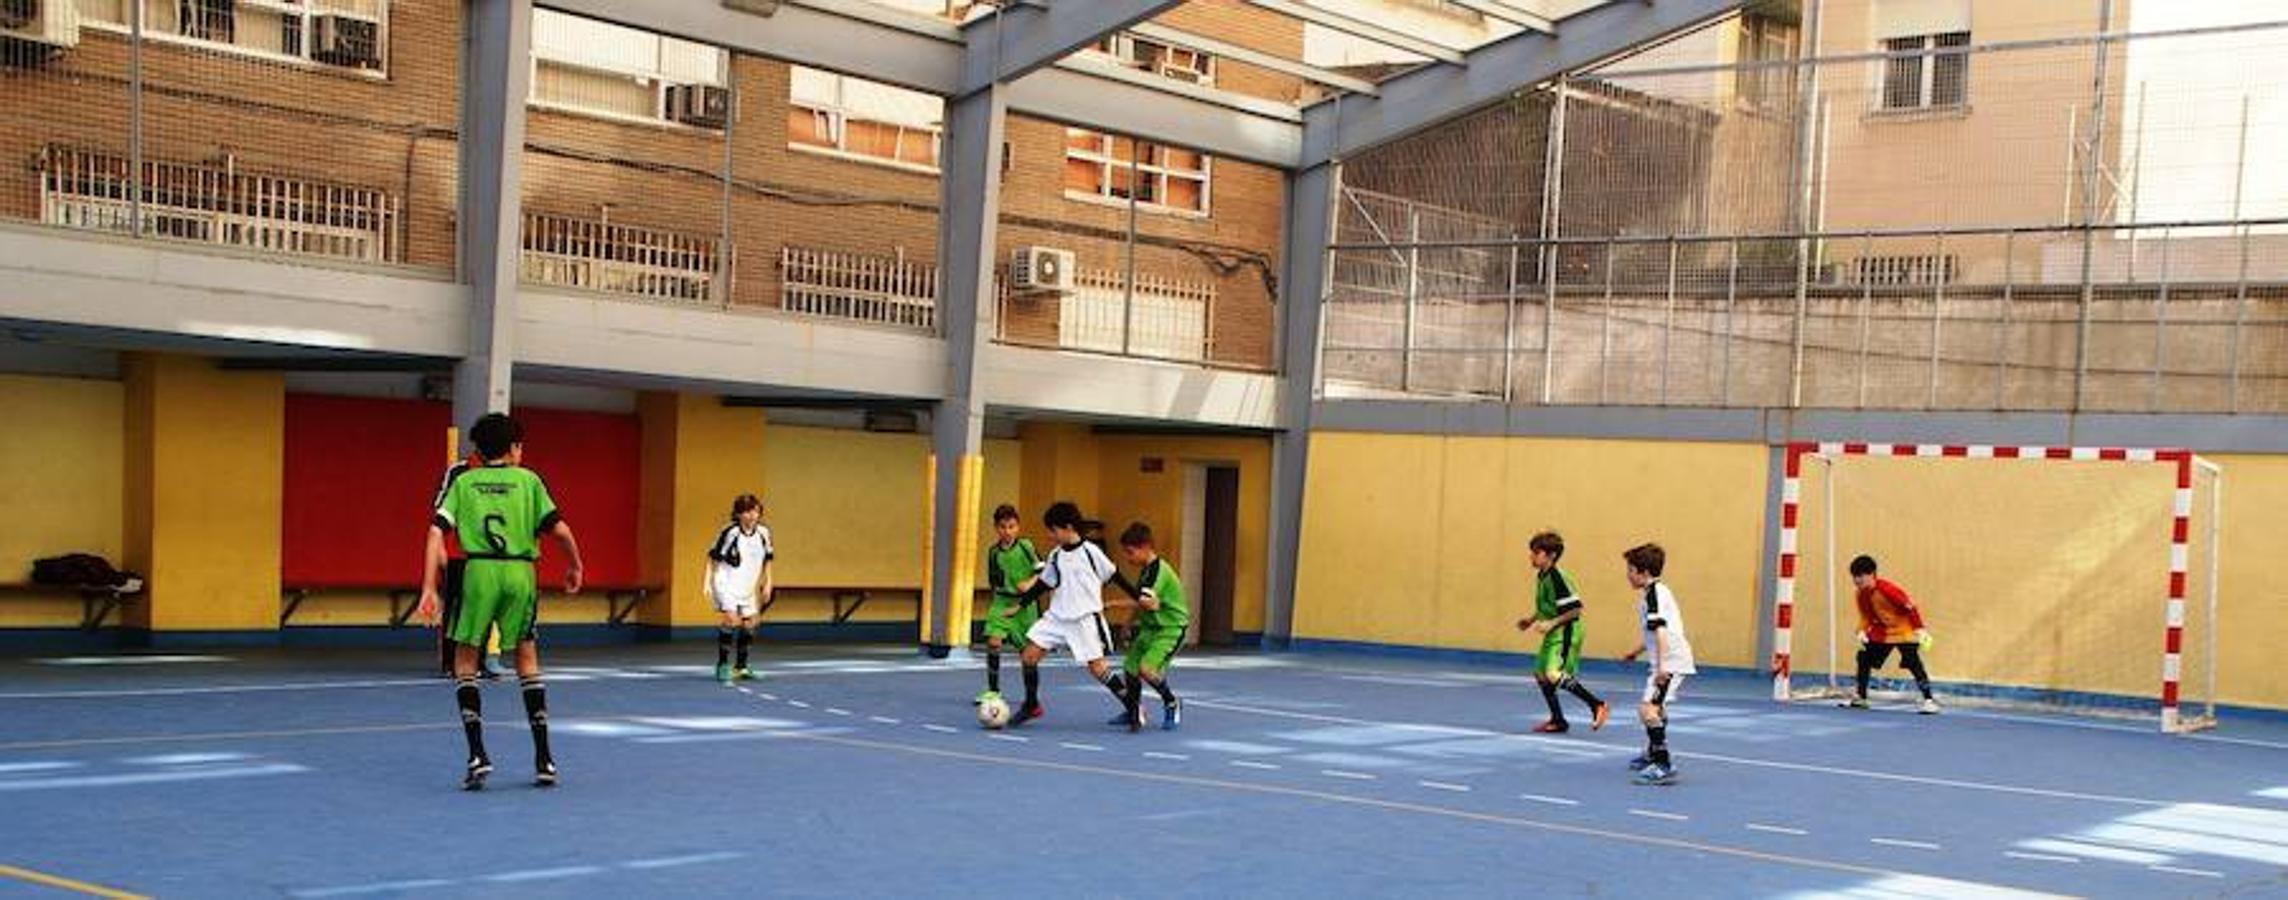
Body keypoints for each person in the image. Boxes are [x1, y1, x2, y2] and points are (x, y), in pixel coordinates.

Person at [416, 413, 585, 791]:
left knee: (464, 659)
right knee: (527, 659)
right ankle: (545, 759)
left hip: (477, 573)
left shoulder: (465, 481)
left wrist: (429, 586)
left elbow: (435, 532)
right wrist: (575, 564)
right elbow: (560, 529)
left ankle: (477, 755)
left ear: (478, 449)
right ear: (513, 449)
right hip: (520, 573)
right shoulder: (529, 481)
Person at [1009, 501, 1140, 729]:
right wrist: (1021, 605)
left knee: (1098, 669)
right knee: (1029, 656)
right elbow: (1043, 583)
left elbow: (1115, 575)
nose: (1050, 535)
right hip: (1057, 617)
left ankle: (1132, 707)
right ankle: (1031, 705)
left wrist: (1138, 597)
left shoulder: (1091, 552)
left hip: (1084, 618)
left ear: (1068, 527)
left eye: (1053, 530)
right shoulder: (1056, 556)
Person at [1514, 531, 1609, 733]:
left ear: (1551, 555)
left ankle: (1597, 704)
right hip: (1555, 630)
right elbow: (1549, 606)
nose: (1531, 556)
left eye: (1536, 552)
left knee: (1553, 673)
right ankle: (1558, 720)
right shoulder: (1542, 576)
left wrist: (1550, 624)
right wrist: (1530, 620)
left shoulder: (1558, 577)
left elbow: (1576, 609)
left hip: (1567, 630)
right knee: (1540, 674)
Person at [1618, 543, 1694, 787]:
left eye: (1630, 570)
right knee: (1656, 708)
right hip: (1667, 659)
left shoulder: (1654, 595)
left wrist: (1662, 668)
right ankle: (1653, 752)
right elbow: (1654, 633)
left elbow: (1661, 631)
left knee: (1647, 710)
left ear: (1644, 572)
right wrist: (1635, 652)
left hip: (1670, 661)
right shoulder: (1656, 592)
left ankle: (1663, 763)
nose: (1627, 575)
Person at [1113, 522, 1187, 731]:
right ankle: (1133, 710)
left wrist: (1111, 605)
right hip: (1150, 627)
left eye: (1130, 552)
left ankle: (1172, 702)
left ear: (1146, 547)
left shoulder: (1159, 572)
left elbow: (1149, 603)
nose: (1128, 558)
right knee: (1130, 668)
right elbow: (1140, 601)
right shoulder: (1146, 571)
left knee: (1147, 669)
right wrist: (1127, 624)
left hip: (1170, 628)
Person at [1846, 555, 1938, 714]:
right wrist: (1861, 631)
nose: (1857, 580)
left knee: (1913, 662)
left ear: (1872, 574)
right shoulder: (1860, 594)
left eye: (1861, 576)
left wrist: (1920, 630)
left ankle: (1929, 700)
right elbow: (1866, 616)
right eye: (1854, 576)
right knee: (1864, 658)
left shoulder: (1888, 590)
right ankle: (1861, 698)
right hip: (1882, 633)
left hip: (1904, 631)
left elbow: (1910, 608)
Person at [705, 494, 774, 685]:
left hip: (748, 586)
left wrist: (768, 582)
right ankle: (722, 665)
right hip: (725, 582)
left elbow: (768, 558)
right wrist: (707, 582)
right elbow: (713, 557)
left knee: (751, 623)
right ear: (738, 514)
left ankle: (741, 667)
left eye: (755, 511)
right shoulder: (730, 532)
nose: (752, 516)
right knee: (731, 619)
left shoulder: (763, 533)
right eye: (747, 511)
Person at [979, 504, 1041, 703]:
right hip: (1002, 602)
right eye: (1003, 527)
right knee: (993, 641)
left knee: (1027, 653)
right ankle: (993, 690)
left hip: (1025, 605)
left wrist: (1029, 584)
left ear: (1018, 527)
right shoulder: (993, 552)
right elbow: (994, 580)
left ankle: (1031, 698)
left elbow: (1043, 570)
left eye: (1012, 526)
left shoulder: (1026, 546)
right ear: (996, 528)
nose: (1007, 531)